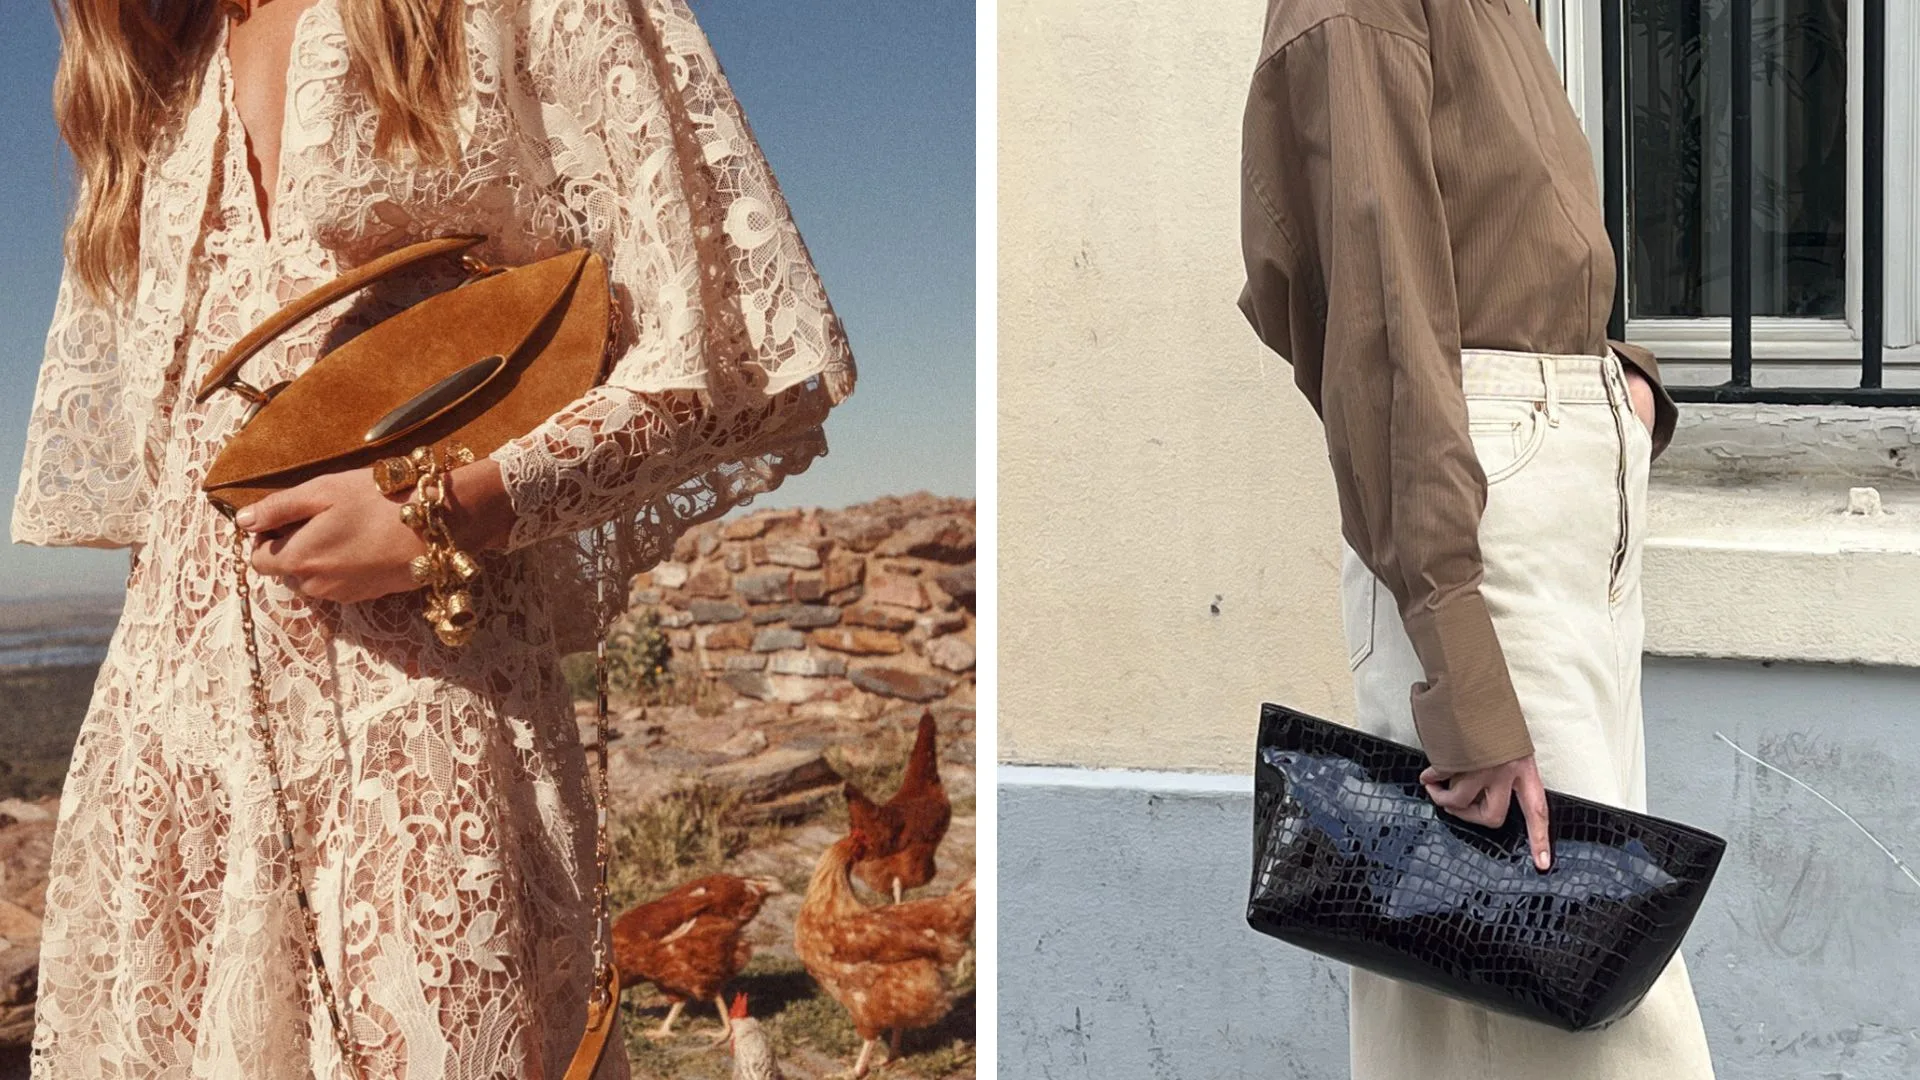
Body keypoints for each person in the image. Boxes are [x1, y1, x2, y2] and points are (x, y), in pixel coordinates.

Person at [12, 0, 855, 1075]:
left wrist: (449, 508)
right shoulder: (155, 70)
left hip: (423, 729)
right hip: (169, 758)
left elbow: (731, 346)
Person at [1237, 2, 1714, 1078]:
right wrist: (1463, 673)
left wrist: (1614, 387)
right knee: (1594, 1005)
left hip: (1536, 493)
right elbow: (1380, 328)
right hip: (1475, 512)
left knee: (1484, 995)